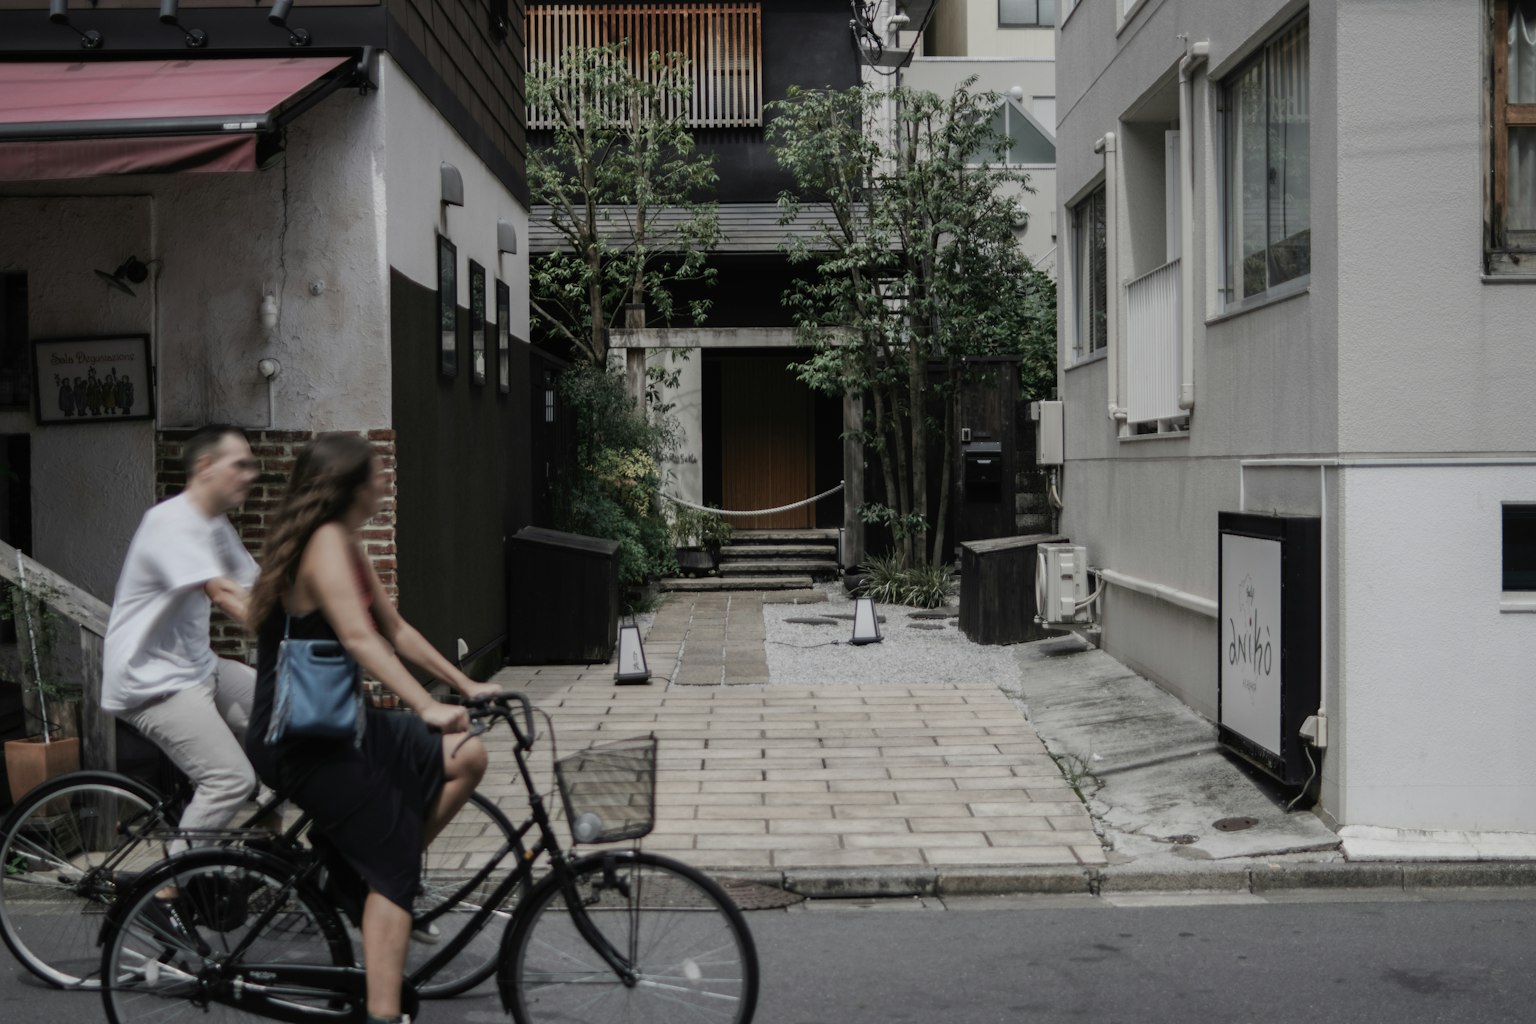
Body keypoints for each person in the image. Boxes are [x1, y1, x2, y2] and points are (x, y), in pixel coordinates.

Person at [244, 433, 498, 1024]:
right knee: (395, 868)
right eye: (378, 472)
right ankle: (382, 1007)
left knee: (466, 755)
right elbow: (358, 640)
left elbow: (394, 629)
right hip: (298, 737)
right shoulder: (324, 541)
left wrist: (465, 687)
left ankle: (364, 868)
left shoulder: (346, 542)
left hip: (339, 724)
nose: (387, 480)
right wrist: (425, 706)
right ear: (351, 487)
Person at [101, 424, 270, 853]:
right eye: (241, 464)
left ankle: (269, 849)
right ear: (206, 467)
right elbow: (227, 594)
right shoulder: (171, 522)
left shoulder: (214, 524)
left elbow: (259, 587)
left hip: (200, 669)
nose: (251, 473)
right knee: (230, 779)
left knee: (291, 717)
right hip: (155, 684)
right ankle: (167, 892)